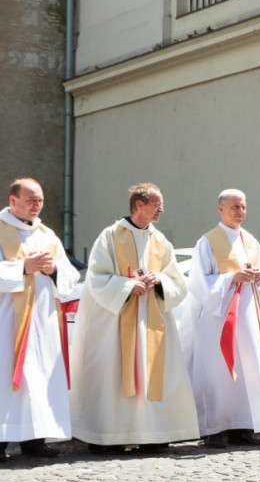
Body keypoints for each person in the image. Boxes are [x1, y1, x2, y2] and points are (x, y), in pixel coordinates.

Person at [70, 183, 199, 453]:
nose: (161, 209)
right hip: (116, 322)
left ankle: (154, 434)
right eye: (156, 204)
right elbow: (96, 277)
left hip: (152, 320)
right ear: (139, 205)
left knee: (154, 373)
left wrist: (159, 280)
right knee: (114, 374)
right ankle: (110, 436)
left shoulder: (160, 241)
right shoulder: (110, 236)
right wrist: (128, 286)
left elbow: (177, 281)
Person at [184, 189, 260, 448]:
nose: (240, 211)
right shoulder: (208, 241)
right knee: (217, 371)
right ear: (221, 209)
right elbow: (199, 282)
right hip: (217, 319)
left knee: (247, 369)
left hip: (248, 316)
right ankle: (214, 428)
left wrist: (259, 278)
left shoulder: (251, 241)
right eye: (235, 207)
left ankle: (242, 425)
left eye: (243, 207)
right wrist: (230, 279)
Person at [0, 178, 79, 460]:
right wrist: (22, 268)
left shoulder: (47, 234)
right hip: (7, 321)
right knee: (6, 380)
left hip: (43, 323)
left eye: (40, 200)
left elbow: (71, 276)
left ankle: (35, 441)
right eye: (31, 200)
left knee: (39, 379)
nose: (37, 205)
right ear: (13, 201)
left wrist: (53, 269)